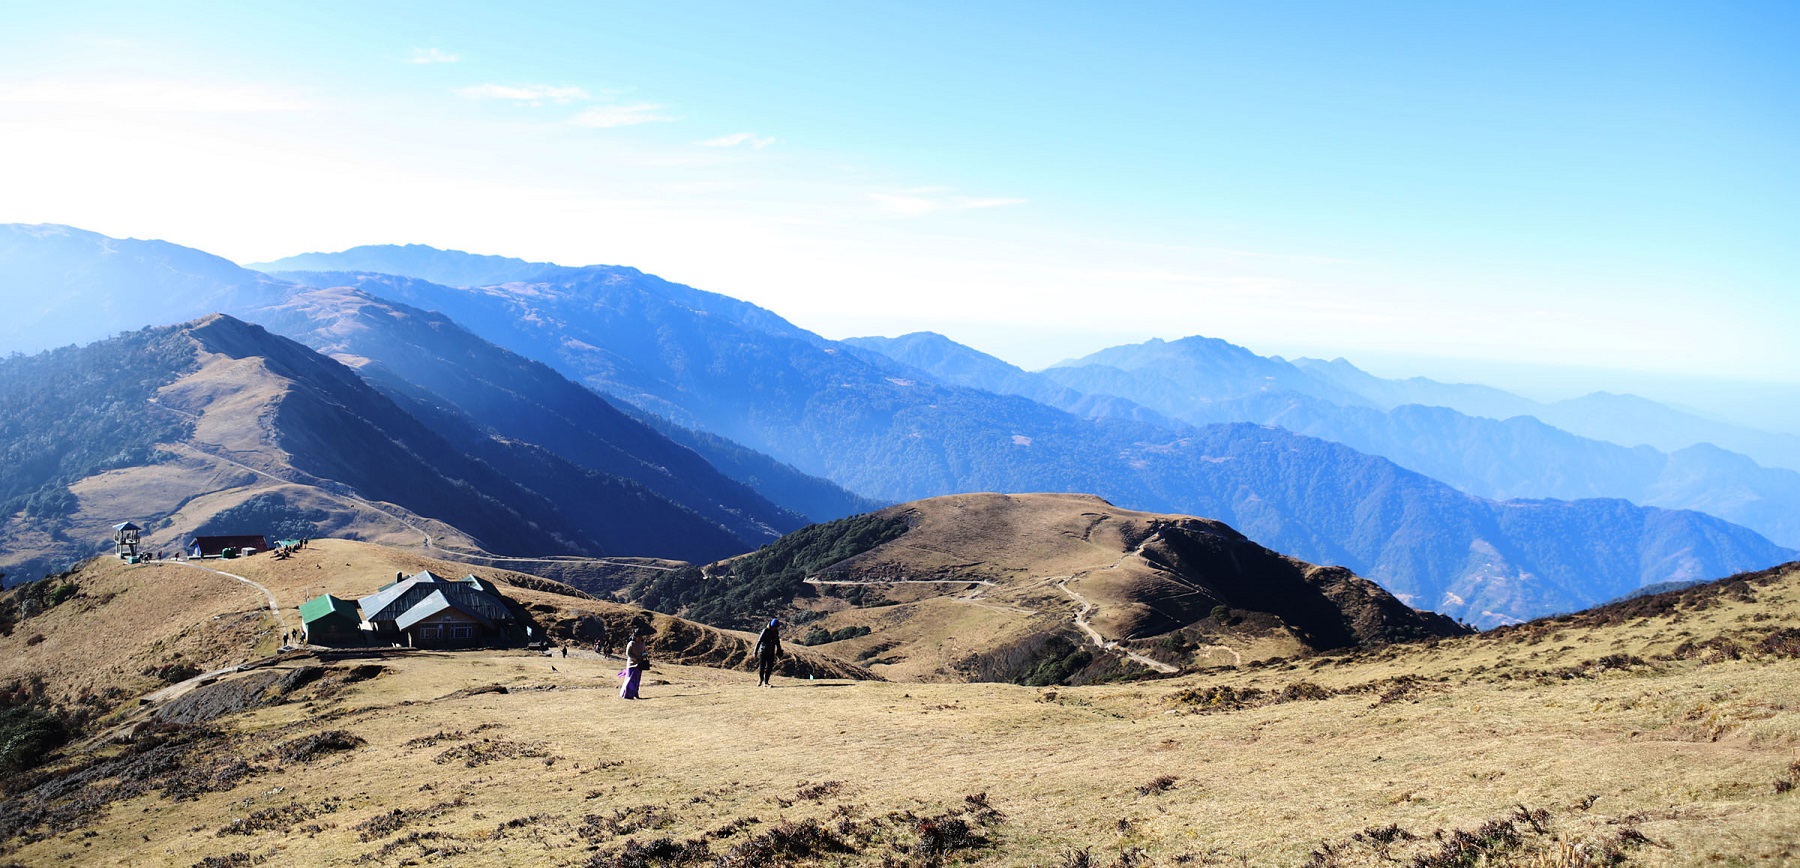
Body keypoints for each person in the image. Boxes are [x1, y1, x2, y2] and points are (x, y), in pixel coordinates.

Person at [619, 628, 650, 699]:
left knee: (637, 680)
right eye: (639, 637)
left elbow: (644, 651)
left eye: (641, 637)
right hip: (631, 664)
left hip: (639, 664)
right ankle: (627, 694)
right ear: (635, 637)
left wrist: (644, 655)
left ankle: (635, 693)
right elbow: (628, 653)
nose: (640, 638)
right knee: (630, 680)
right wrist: (635, 658)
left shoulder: (642, 644)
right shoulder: (631, 644)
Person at [754, 617, 782, 687]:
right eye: (775, 627)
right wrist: (755, 652)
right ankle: (760, 679)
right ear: (772, 626)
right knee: (762, 667)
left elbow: (777, 642)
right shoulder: (765, 631)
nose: (776, 628)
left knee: (769, 667)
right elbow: (759, 641)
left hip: (771, 652)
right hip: (763, 651)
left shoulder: (776, 632)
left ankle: (766, 682)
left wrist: (779, 651)